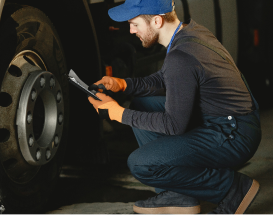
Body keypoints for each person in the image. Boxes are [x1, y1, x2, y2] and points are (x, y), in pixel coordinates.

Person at [88, 0, 261, 214]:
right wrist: (124, 84)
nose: (131, 30)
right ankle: (178, 194)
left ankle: (233, 189)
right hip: (231, 120)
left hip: (233, 134)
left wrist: (118, 114)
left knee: (140, 163)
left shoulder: (182, 57)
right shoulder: (189, 32)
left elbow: (173, 125)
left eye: (134, 24)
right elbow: (168, 77)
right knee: (143, 103)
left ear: (157, 21)